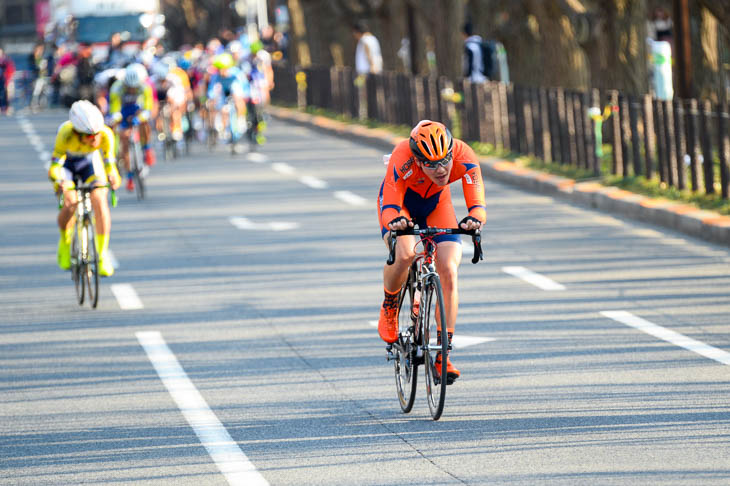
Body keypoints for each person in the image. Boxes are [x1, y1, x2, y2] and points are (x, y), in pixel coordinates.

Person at [377, 120, 486, 384]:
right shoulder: (402, 156)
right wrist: (396, 222)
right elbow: (391, 203)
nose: (441, 169)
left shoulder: (464, 154)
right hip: (401, 207)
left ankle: (443, 354)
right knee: (404, 254)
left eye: (445, 160)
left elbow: (478, 203)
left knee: (448, 267)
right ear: (417, 160)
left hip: (438, 205)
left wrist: (474, 218)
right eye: (431, 164)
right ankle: (390, 306)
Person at [48, 100, 121, 277]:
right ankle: (65, 243)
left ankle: (102, 255)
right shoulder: (65, 133)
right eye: (89, 136)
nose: (95, 139)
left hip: (90, 165)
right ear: (77, 132)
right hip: (68, 166)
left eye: (96, 134)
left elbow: (110, 165)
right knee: (71, 202)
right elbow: (55, 166)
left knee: (99, 200)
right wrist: (59, 181)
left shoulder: (105, 134)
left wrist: (113, 177)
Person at [109, 62, 156, 192]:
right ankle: (129, 176)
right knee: (124, 138)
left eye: (134, 88)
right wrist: (117, 119)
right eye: (130, 87)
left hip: (137, 109)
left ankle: (147, 148)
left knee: (145, 122)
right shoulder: (117, 88)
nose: (132, 90)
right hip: (123, 111)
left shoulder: (145, 87)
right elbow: (115, 110)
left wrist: (139, 119)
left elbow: (147, 108)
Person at [0, 47, 16, 115]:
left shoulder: (6, 60)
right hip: (1, 80)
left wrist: (9, 78)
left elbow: (11, 70)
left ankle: (7, 108)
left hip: (7, 80)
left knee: (8, 95)